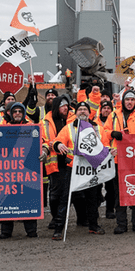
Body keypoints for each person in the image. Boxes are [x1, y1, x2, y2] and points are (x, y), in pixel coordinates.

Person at [101, 72, 135, 234]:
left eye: (132, 99)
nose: (130, 102)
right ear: (123, 101)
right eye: (127, 99)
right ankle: (121, 224)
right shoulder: (114, 115)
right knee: (120, 194)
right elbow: (104, 132)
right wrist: (112, 134)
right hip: (119, 161)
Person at [52, 100, 105, 237]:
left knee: (92, 199)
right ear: (75, 113)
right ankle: (58, 230)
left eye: (84, 109)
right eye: (80, 109)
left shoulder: (96, 128)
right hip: (73, 170)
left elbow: (104, 145)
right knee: (65, 199)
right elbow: (57, 141)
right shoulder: (68, 128)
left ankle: (93, 226)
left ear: (89, 112)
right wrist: (58, 145)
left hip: (90, 169)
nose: (82, 111)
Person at [0, 102, 39, 239]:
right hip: (8, 171)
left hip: (27, 171)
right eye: (14, 111)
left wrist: (44, 150)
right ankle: (6, 231)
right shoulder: (3, 128)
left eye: (19, 111)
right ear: (10, 113)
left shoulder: (32, 128)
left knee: (28, 198)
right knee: (7, 199)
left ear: (23, 114)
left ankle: (31, 230)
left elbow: (42, 141)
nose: (17, 113)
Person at [41, 94, 76, 239]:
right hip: (54, 163)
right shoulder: (46, 123)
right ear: (56, 107)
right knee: (55, 195)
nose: (66, 108)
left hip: (71, 163)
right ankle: (56, 217)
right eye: (62, 106)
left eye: (67, 106)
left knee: (71, 195)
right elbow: (44, 140)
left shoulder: (73, 120)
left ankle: (73, 220)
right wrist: (45, 148)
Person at [95, 98, 117, 219]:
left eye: (109, 108)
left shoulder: (115, 121)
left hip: (110, 158)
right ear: (100, 109)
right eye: (104, 108)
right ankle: (95, 211)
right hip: (97, 158)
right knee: (96, 187)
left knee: (110, 187)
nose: (106, 110)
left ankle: (110, 210)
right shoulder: (94, 122)